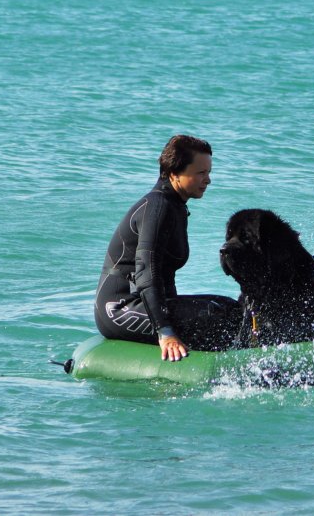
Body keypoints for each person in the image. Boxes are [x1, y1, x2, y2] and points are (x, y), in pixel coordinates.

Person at [94, 135, 243, 361]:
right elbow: (146, 275)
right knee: (213, 316)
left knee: (229, 308)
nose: (208, 180)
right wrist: (166, 332)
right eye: (201, 173)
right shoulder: (157, 208)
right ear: (174, 173)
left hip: (146, 304)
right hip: (119, 309)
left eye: (209, 172)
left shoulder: (175, 206)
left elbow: (165, 277)